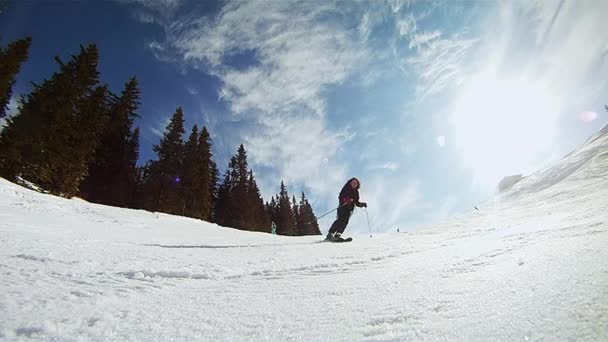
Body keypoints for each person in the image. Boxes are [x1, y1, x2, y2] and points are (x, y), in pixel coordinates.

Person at [326, 177, 367, 241]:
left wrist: (362, 204)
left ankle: (338, 234)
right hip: (342, 207)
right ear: (350, 183)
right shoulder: (346, 188)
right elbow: (341, 196)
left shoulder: (356, 193)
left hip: (349, 209)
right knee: (340, 220)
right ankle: (330, 234)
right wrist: (346, 199)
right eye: (353, 182)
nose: (354, 184)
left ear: (358, 185)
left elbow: (356, 203)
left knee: (345, 221)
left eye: (356, 183)